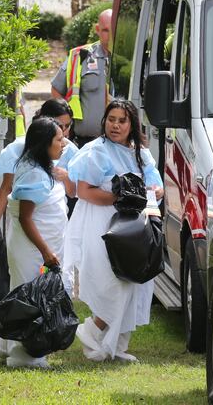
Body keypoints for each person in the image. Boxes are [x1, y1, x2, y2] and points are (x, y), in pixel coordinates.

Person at [65, 99, 164, 362]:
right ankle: (92, 331)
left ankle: (116, 346)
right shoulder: (96, 151)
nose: (115, 125)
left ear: (131, 124)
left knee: (133, 282)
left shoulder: (141, 154)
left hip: (134, 227)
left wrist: (148, 194)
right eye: (111, 120)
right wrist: (119, 198)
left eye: (122, 121)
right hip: (103, 224)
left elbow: (156, 186)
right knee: (112, 282)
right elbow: (84, 191)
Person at [0, 117, 68, 368]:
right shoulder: (33, 175)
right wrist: (47, 253)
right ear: (44, 144)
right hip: (31, 250)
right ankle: (24, 355)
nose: (64, 144)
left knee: (27, 297)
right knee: (29, 301)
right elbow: (26, 219)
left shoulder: (40, 166)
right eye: (59, 140)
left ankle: (5, 346)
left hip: (36, 248)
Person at [0, 98, 78, 224]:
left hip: (55, 224)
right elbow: (6, 188)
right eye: (60, 126)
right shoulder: (18, 148)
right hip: (25, 221)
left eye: (67, 126)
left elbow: (73, 193)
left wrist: (66, 177)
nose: (64, 132)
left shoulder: (70, 151)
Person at [51, 9, 114, 148]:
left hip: (119, 144)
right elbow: (56, 90)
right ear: (97, 30)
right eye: (105, 30)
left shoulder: (132, 59)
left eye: (114, 30)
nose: (110, 36)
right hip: (84, 144)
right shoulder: (79, 56)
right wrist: (64, 124)